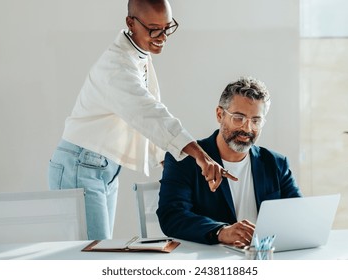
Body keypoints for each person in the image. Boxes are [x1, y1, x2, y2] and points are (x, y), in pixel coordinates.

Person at [48, 0, 236, 241]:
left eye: (168, 28)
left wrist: (170, 166)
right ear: (130, 23)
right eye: (154, 29)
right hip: (79, 165)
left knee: (99, 250)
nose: (162, 36)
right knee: (93, 257)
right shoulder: (117, 67)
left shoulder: (137, 54)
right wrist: (201, 156)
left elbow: (146, 116)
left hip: (101, 166)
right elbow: (151, 114)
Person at [157, 76, 302, 246]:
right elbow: (172, 216)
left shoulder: (276, 163)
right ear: (220, 114)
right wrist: (221, 232)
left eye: (256, 121)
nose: (247, 128)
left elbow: (298, 214)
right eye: (239, 118)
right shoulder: (186, 159)